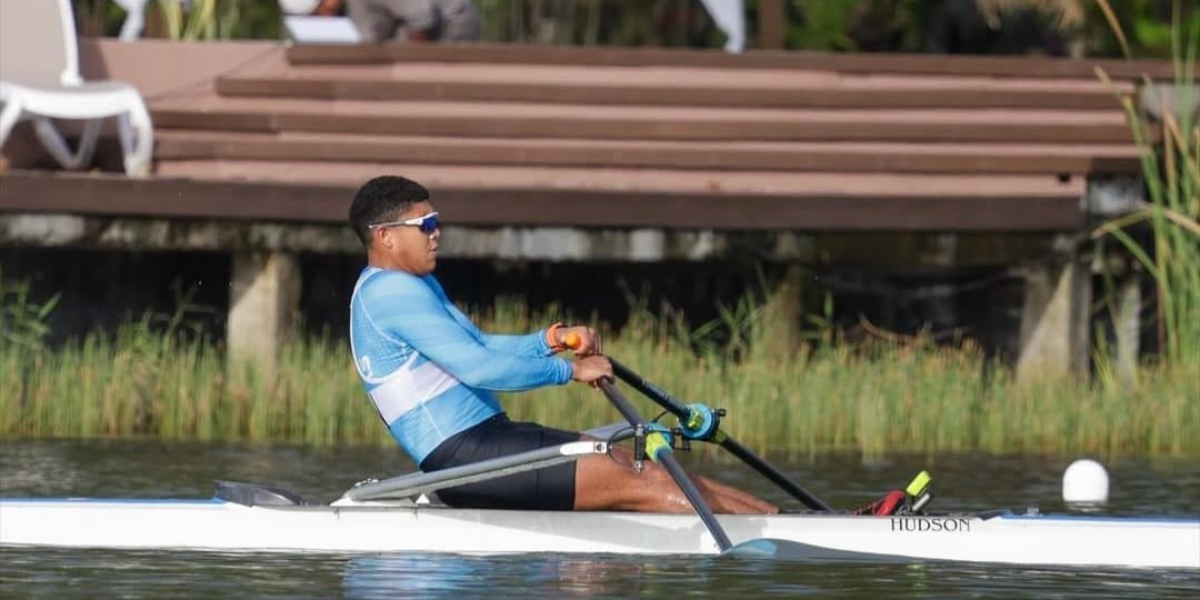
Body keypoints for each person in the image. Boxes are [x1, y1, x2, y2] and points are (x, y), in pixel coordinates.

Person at [347, 175, 777, 514]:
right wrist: (571, 370)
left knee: (634, 464)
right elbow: (480, 369)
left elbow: (482, 344)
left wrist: (550, 341)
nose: (436, 233)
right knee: (643, 480)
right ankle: (777, 529)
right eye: (425, 225)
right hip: (466, 460)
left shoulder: (413, 286)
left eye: (436, 222)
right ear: (386, 236)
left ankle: (779, 518)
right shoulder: (389, 293)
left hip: (488, 442)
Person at [344, 0, 480, 43]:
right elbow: (374, 36)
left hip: (451, 22)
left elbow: (422, 19)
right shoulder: (351, 8)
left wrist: (412, 60)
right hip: (426, 23)